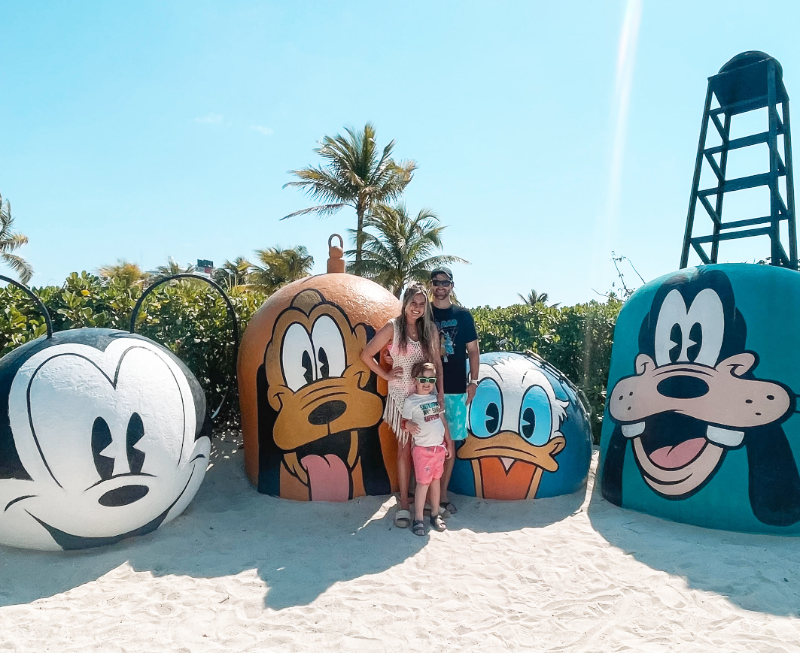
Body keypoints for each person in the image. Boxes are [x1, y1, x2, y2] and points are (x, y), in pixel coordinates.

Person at [361, 283, 444, 528]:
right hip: (400, 398)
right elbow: (366, 355)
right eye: (413, 303)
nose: (417, 308)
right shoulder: (392, 328)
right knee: (404, 448)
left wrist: (439, 393)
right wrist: (385, 375)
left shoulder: (429, 330)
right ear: (405, 303)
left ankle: (427, 499)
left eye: (421, 304)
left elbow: (437, 363)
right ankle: (405, 504)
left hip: (426, 397)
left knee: (430, 445)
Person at [430, 266, 480, 516]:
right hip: (426, 390)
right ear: (431, 285)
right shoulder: (422, 312)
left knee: (451, 444)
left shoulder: (463, 315)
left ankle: (443, 493)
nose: (440, 286)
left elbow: (473, 351)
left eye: (445, 282)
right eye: (436, 282)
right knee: (426, 444)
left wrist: (474, 381)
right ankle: (424, 494)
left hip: (457, 389)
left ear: (452, 285)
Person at [402, 361, 453, 536]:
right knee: (422, 484)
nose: (427, 383)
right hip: (422, 450)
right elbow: (404, 422)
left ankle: (434, 513)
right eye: (423, 379)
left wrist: (448, 443)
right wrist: (407, 424)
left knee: (435, 482)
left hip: (438, 449)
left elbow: (443, 422)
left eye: (431, 379)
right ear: (415, 380)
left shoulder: (435, 398)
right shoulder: (411, 401)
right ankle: (418, 518)